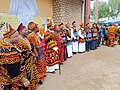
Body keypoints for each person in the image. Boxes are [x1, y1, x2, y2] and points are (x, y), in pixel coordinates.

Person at [0, 24, 30, 90]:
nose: (18, 37)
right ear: (8, 37)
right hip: (12, 82)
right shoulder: (9, 51)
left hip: (4, 79)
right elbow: (13, 71)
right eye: (16, 36)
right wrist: (24, 80)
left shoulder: (2, 44)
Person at [17, 23, 40, 89]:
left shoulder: (25, 38)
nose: (27, 31)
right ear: (20, 31)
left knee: (32, 72)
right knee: (27, 74)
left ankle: (33, 85)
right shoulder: (19, 40)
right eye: (25, 30)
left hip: (30, 59)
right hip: (25, 61)